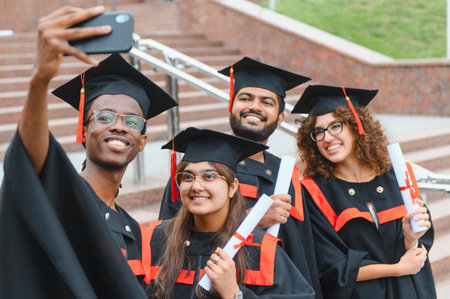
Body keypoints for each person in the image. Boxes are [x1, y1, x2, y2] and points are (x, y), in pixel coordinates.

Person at [0, 6, 177, 298]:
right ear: (83, 130)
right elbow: (28, 165)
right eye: (105, 117)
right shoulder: (63, 198)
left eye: (132, 121)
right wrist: (39, 79)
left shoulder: (132, 230)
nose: (119, 127)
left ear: (142, 140)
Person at [158, 57, 324, 298]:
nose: (254, 106)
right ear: (231, 106)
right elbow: (171, 238)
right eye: (245, 98)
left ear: (279, 118)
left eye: (266, 102)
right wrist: (254, 218)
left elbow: (303, 250)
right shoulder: (197, 171)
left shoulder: (286, 174)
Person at [293, 84, 436, 298]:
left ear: (357, 125)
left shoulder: (399, 176)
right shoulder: (314, 193)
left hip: (409, 291)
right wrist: (397, 269)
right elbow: (332, 266)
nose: (327, 138)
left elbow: (418, 248)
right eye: (319, 132)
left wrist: (410, 237)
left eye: (335, 126)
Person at [145, 127, 315, 298]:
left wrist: (234, 293)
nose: (196, 186)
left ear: (232, 187)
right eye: (187, 177)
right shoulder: (157, 239)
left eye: (209, 176)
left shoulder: (260, 249)